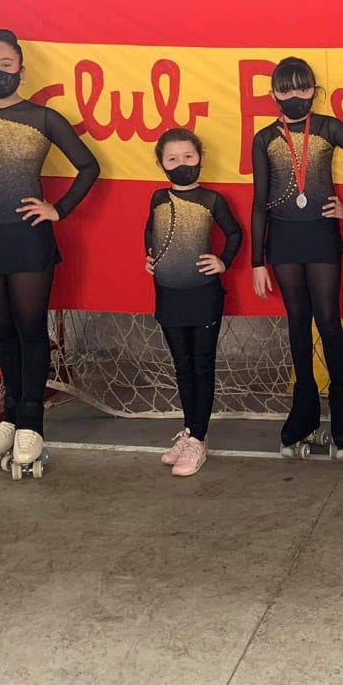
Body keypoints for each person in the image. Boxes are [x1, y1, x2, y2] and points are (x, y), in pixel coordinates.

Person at [0, 28, 100, 474]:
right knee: (2, 330)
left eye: (6, 65)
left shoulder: (44, 118)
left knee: (31, 330)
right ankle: (10, 415)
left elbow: (89, 166)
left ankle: (32, 422)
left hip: (28, 238)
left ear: (21, 72)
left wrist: (58, 209)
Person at [250, 57, 343, 458]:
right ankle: (303, 417)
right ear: (273, 94)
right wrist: (257, 260)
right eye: (285, 89)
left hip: (322, 235)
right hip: (283, 239)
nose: (294, 95)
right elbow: (259, 201)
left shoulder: (328, 128)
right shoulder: (265, 138)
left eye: (302, 87)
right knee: (298, 322)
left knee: (328, 321)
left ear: (314, 90)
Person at [146, 128, 242, 477]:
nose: (181, 164)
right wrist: (150, 256)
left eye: (188, 156)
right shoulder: (158, 198)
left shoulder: (211, 200)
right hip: (168, 294)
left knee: (202, 366)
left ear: (200, 158)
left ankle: (198, 439)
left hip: (203, 295)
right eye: (172, 159)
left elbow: (235, 232)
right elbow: (150, 230)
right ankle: (189, 431)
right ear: (161, 165)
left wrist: (223, 261)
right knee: (182, 367)